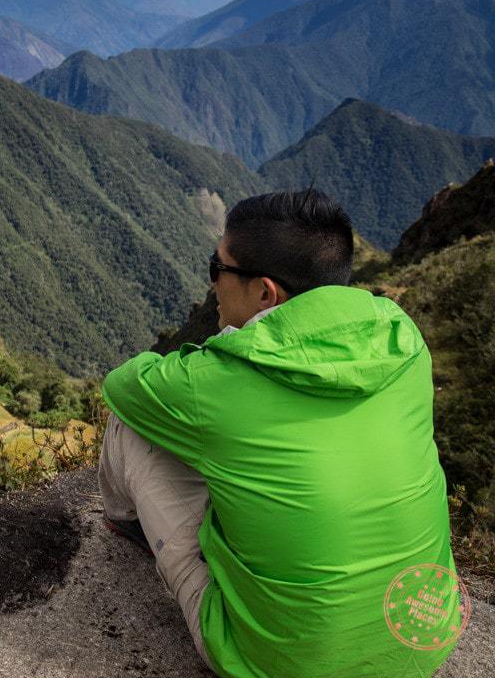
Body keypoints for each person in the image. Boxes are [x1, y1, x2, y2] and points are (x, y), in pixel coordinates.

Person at [98, 189, 462, 677]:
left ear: (266, 293)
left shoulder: (216, 383)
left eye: (217, 268)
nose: (213, 283)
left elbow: (122, 386)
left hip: (281, 664)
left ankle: (126, 525)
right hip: (422, 639)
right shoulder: (403, 339)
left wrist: (216, 353)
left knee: (133, 423)